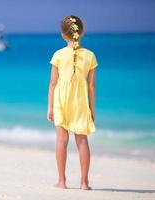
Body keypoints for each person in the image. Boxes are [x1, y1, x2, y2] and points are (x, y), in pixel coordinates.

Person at [47, 15, 98, 190]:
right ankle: (84, 183)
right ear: (81, 32)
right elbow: (91, 86)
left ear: (63, 35)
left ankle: (62, 181)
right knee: (82, 141)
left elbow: (53, 83)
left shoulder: (58, 55)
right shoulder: (90, 56)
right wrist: (92, 109)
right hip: (81, 102)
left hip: (61, 100)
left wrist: (50, 106)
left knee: (61, 140)